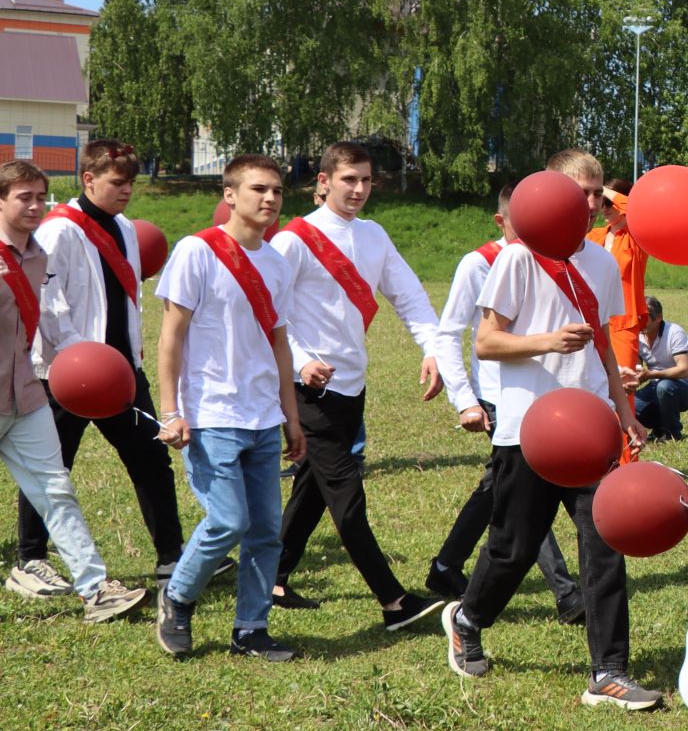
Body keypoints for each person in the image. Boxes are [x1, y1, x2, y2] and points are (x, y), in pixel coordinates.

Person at [442, 149, 658, 710]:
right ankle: (467, 618)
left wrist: (625, 411)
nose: (590, 204)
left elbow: (605, 344)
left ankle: (608, 671)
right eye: (579, 193)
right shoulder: (516, 261)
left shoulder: (603, 262)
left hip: (590, 427)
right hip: (528, 430)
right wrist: (546, 342)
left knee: (604, 544)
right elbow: (486, 343)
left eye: (596, 195)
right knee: (512, 549)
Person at [267, 141, 450, 630]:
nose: (360, 189)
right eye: (349, 179)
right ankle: (393, 602)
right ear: (323, 181)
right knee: (346, 496)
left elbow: (410, 296)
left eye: (367, 180)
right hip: (308, 392)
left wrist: (433, 348)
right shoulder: (293, 239)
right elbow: (271, 313)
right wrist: (302, 362)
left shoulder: (374, 237)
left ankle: (271, 575)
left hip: (352, 385)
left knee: (311, 489)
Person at [9, 139, 180, 598]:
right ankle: (31, 559)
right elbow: (47, 300)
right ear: (88, 179)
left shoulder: (124, 226)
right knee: (52, 467)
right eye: (117, 182)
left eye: (131, 183)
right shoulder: (60, 229)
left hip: (122, 371)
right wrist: (78, 356)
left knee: (150, 460)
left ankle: (172, 558)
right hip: (66, 373)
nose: (127, 191)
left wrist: (124, 359)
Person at [154, 155, 305, 660]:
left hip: (263, 415)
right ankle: (176, 597)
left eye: (277, 191)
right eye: (259, 188)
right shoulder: (196, 252)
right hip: (211, 414)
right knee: (228, 521)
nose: (269, 199)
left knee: (265, 531)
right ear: (230, 194)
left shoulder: (278, 264)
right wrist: (170, 411)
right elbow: (171, 337)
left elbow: (281, 345)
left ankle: (251, 628)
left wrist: (292, 417)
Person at [425, 179, 582, 623]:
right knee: (527, 499)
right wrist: (465, 400)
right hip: (498, 399)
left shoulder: (562, 262)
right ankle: (568, 594)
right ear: (502, 220)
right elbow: (450, 333)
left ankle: (445, 566)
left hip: (543, 396)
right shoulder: (480, 263)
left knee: (501, 490)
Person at [589, 181, 649, 385]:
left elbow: (633, 207)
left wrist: (599, 188)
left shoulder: (638, 236)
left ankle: (624, 419)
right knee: (593, 383)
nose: (603, 208)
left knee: (624, 385)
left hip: (623, 322)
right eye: (600, 202)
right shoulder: (595, 235)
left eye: (608, 202)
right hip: (592, 319)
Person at [632, 296, 688, 441]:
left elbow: (684, 369)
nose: (640, 322)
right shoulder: (637, 336)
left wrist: (651, 374)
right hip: (655, 385)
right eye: (638, 317)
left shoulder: (674, 332)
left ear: (658, 317)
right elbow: (637, 368)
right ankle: (659, 427)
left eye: (645, 317)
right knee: (631, 407)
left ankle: (672, 432)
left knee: (664, 387)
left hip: (684, 387)